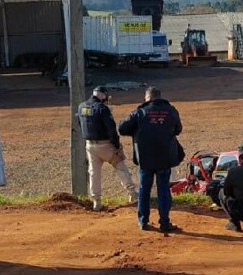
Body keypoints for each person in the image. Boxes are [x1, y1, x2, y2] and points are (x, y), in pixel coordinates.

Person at [119, 87, 183, 232]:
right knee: (164, 190)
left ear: (147, 98)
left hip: (145, 159)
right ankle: (165, 223)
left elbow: (122, 128)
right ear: (159, 97)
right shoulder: (171, 110)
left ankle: (143, 221)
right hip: (165, 158)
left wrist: (137, 129)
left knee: (144, 190)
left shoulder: (139, 112)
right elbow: (178, 129)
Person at [78, 86, 137, 211]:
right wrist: (116, 145)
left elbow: (80, 123)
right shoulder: (102, 108)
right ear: (103, 96)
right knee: (120, 165)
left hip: (89, 145)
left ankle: (96, 202)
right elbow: (111, 129)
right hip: (105, 145)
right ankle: (132, 193)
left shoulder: (81, 106)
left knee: (93, 173)